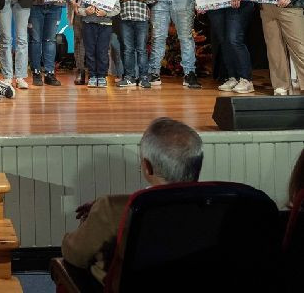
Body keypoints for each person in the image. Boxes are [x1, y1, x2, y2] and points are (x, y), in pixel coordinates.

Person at [62, 117, 204, 285]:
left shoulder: (112, 209)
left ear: (147, 167)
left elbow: (75, 255)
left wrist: (91, 221)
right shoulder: (219, 206)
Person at [113, 0, 157, 88]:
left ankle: (144, 77)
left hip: (141, 18)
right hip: (125, 18)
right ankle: (129, 77)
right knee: (127, 49)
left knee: (142, 49)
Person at [76, 0, 120, 88]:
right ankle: (92, 76)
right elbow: (79, 9)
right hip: (89, 24)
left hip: (105, 25)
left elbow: (117, 9)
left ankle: (101, 76)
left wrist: (106, 13)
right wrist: (86, 12)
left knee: (102, 51)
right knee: (90, 51)